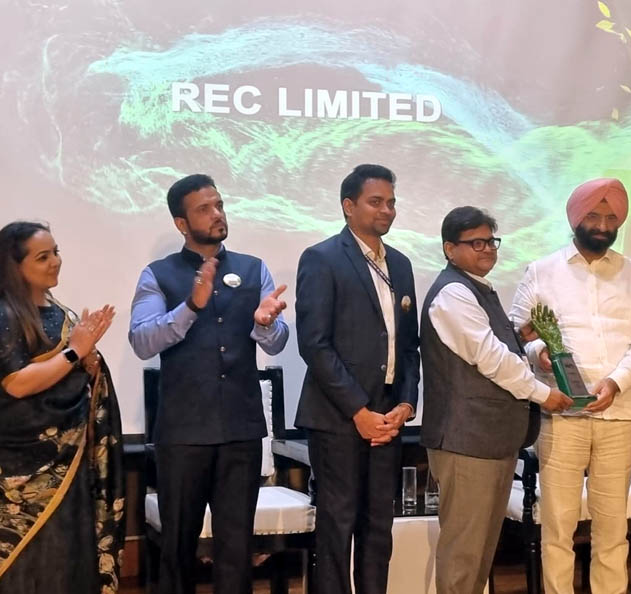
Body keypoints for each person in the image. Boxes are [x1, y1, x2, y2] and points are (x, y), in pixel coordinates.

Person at [128, 174, 289, 594]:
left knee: (236, 549)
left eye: (219, 204)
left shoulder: (253, 269)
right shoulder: (158, 275)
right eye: (204, 209)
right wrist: (191, 305)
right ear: (181, 224)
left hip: (241, 430)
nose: (217, 214)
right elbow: (142, 340)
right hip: (183, 433)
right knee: (178, 549)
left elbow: (277, 340)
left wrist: (265, 324)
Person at [509, 178, 631, 594]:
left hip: (619, 414)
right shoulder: (541, 271)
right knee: (558, 526)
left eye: (611, 218)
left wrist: (615, 381)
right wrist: (539, 351)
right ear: (575, 218)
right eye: (593, 215)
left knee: (612, 530)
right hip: (561, 414)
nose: (603, 225)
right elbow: (517, 331)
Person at [420, 206, 571, 594]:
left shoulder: (477, 288)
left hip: (489, 440)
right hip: (466, 440)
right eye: (476, 242)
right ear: (449, 249)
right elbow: (491, 359)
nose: (487, 249)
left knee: (481, 555)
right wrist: (543, 394)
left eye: (491, 241)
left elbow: (490, 349)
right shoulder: (454, 292)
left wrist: (522, 340)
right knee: (464, 556)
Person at [294, 164, 420, 594]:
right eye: (376, 202)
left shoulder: (400, 263)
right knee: (337, 526)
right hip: (338, 418)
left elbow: (408, 346)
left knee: (378, 527)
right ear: (349, 206)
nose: (387, 210)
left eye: (391, 202)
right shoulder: (322, 258)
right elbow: (314, 344)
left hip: (388, 416)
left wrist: (406, 403)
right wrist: (358, 411)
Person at [0, 221, 124, 593]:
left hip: (72, 459)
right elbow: (17, 383)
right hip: (20, 466)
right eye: (43, 256)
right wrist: (75, 353)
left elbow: (69, 371)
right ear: (14, 265)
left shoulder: (61, 313)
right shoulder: (5, 315)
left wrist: (88, 364)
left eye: (56, 252)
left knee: (69, 557)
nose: (55, 261)